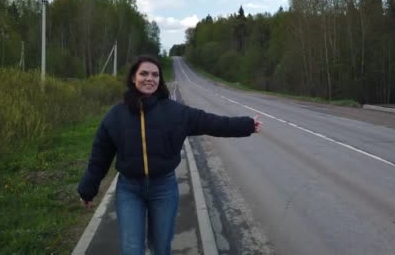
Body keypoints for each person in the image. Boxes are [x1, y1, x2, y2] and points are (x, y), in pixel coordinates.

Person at [78, 55, 261, 255]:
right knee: (132, 249)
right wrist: (88, 189)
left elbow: (212, 122)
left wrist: (246, 125)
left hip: (163, 188)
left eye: (155, 75)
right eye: (144, 73)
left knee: (161, 247)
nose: (150, 78)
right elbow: (99, 157)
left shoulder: (175, 112)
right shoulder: (116, 115)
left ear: (160, 80)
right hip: (129, 189)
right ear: (133, 78)